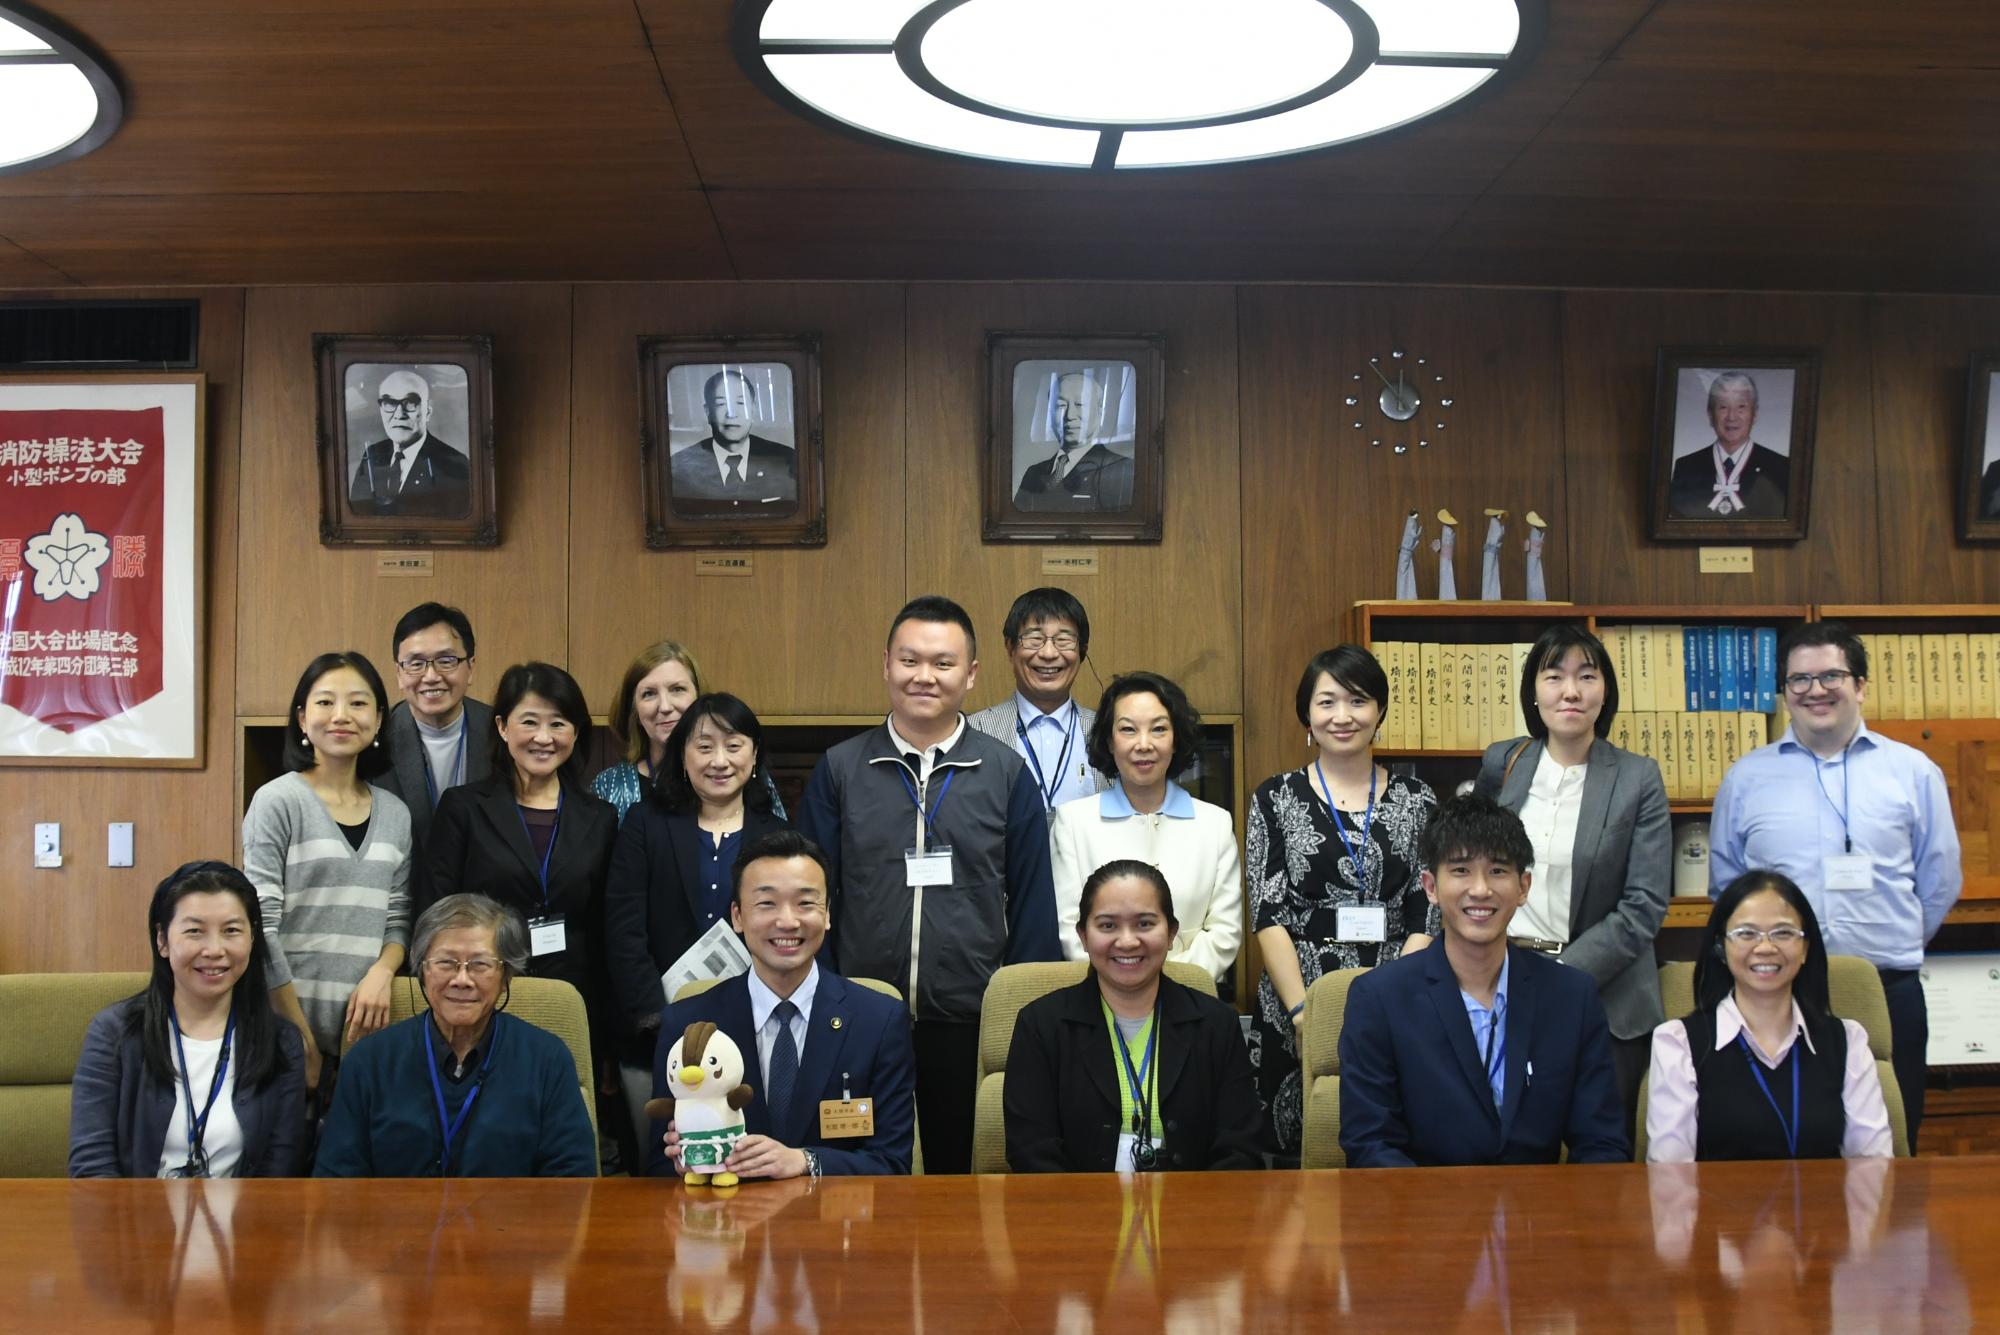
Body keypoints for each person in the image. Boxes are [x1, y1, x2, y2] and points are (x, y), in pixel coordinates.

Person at [796, 594, 1060, 1174]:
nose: (925, 676)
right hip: (859, 1012)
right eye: (910, 660)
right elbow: (809, 897)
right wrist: (830, 991)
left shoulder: (1003, 772)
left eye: (943, 663)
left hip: (966, 1018)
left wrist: (1012, 1012)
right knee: (857, 1171)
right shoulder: (841, 769)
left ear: (970, 674)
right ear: (886, 664)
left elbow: (1034, 902)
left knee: (955, 1173)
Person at [1709, 622, 1961, 1146]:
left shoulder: (1913, 772)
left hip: (1887, 988)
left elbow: (1940, 881)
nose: (1814, 690)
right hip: (1780, 995)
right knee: (1788, 1140)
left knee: (1891, 1142)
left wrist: (1893, 941)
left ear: (1861, 685)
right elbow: (1727, 890)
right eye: (1799, 680)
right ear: (1784, 693)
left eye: (1831, 676)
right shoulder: (1746, 778)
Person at [1338, 794, 1629, 1167]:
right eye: (1460, 870)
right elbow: (1370, 1145)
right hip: (1425, 1215)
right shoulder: (1379, 999)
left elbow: (1601, 1143)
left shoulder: (1572, 997)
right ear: (1430, 887)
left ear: (1523, 887)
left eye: (1497, 871)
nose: (1480, 889)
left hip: (1538, 1217)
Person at [1475, 623, 1671, 1120]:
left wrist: (1559, 979)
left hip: (1606, 1002)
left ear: (1605, 694)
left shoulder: (1636, 777)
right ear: (1533, 693)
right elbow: (1474, 870)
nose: (1570, 691)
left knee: (1601, 1158)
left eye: (1586, 676)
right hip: (1500, 985)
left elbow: (1643, 905)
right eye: (1554, 676)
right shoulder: (1503, 762)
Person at [1246, 645, 1437, 1153]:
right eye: (1327, 702)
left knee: (1392, 1144)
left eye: (1358, 701)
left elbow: (1429, 909)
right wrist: (1303, 1012)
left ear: (1379, 711)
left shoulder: (1420, 799)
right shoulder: (1274, 796)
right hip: (1298, 994)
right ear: (1306, 714)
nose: (1343, 716)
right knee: (1300, 1150)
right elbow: (1267, 912)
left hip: (1399, 992)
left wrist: (1393, 998)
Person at [646, 830, 916, 1179]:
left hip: (836, 1224)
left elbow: (892, 1164)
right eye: (767, 903)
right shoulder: (687, 1024)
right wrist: (681, 1162)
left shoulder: (878, 1021)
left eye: (806, 903)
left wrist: (805, 1161)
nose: (787, 921)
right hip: (728, 1223)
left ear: (828, 914)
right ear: (738, 917)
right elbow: (655, 1168)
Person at [605, 693, 790, 1165]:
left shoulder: (777, 835)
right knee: (664, 1162)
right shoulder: (645, 825)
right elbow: (623, 927)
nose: (720, 761)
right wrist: (656, 1017)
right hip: (655, 1030)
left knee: (741, 1155)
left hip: (753, 1027)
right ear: (682, 756)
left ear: (755, 754)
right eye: (704, 746)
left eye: (734, 745)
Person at [1004, 860, 1262, 1172]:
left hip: (1193, 1214)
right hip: (1074, 1215)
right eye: (1108, 926)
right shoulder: (1040, 1026)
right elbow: (1032, 1153)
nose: (1127, 941)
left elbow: (1240, 1151)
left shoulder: (1216, 1025)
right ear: (1083, 936)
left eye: (1144, 924)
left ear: (1171, 933)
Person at [315, 894, 597, 1177]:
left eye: (480, 964)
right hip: (397, 1220)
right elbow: (336, 1182)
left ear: (506, 976)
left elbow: (572, 1180)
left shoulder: (547, 1059)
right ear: (423, 971)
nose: (462, 979)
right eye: (446, 963)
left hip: (511, 1220)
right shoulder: (368, 1061)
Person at [243, 651, 412, 1094]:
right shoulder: (277, 800)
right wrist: (297, 1036)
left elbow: (398, 919)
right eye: (324, 703)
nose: (341, 716)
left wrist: (382, 974)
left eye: (358, 703)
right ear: (302, 718)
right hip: (282, 1028)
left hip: (369, 1030)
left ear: (378, 720)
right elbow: (260, 924)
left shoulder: (396, 814)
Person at [70, 861, 306, 1178]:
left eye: (231, 931)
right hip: (133, 1223)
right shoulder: (114, 1032)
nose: (214, 949)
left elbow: (280, 1170)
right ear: (162, 940)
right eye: (194, 931)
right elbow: (92, 1165)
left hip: (243, 1225)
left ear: (252, 939)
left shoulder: (281, 1041)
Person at [427, 662, 618, 1041]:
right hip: (481, 995)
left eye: (559, 723)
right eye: (529, 722)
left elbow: (603, 929)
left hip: (572, 1000)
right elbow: (435, 911)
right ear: (502, 727)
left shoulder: (599, 816)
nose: (544, 737)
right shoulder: (463, 808)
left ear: (576, 732)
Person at [1647, 871, 1894, 1161]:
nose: (1765, 948)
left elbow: (1873, 1168)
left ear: (1805, 949)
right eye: (1746, 934)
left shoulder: (1847, 1042)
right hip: (1716, 1207)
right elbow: (1671, 1176)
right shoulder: (1679, 1043)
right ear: (1721, 949)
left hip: (1824, 1206)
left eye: (1783, 933)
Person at [1049, 672, 1242, 980]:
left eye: (1159, 729)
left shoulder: (1215, 824)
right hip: (1102, 997)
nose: (1144, 744)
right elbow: (1072, 929)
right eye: (1128, 730)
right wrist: (1124, 982)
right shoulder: (1073, 822)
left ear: (1176, 739)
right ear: (1110, 741)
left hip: (1192, 998)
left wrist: (1172, 985)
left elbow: (1224, 932)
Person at [377, 603, 494, 913]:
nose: (431, 676)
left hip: (487, 913)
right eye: (415, 663)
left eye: (446, 660)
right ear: (399, 674)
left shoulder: (502, 733)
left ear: (471, 667)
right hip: (401, 916)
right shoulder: (375, 742)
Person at [591, 640, 785, 823]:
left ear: (700, 698)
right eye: (649, 694)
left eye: (677, 689)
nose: (665, 706)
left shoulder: (738, 772)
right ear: (634, 710)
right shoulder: (611, 784)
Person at [967, 587, 1109, 810]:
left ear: (1082, 650)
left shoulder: (1105, 732)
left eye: (1064, 639)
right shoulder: (975, 731)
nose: (1049, 653)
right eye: (1034, 639)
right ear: (1010, 648)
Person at [348, 368, 471, 517]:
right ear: (380, 409)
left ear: (428, 411)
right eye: (389, 403)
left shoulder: (454, 463)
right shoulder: (373, 454)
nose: (399, 414)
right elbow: (358, 515)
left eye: (411, 402)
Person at [1667, 371, 1790, 519]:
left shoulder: (1779, 466)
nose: (1732, 417)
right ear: (1710, 415)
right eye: (1723, 407)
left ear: (1755, 414)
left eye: (1741, 407)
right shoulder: (1686, 466)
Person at [668, 368, 798, 506]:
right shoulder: (679, 467)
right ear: (708, 412)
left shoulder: (786, 459)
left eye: (740, 403)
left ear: (753, 410)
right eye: (721, 404)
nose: (731, 414)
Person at [1012, 370, 1134, 511]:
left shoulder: (1124, 470)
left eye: (1080, 404)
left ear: (1100, 412)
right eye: (1061, 405)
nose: (1070, 415)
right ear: (1049, 414)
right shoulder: (1033, 473)